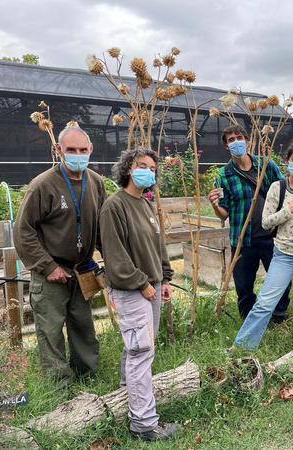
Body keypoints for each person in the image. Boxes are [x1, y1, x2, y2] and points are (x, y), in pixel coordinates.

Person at [13, 124, 105, 386]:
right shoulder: (42, 185)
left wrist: (109, 258)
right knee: (51, 331)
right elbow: (23, 231)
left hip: (82, 270)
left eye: (83, 150)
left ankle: (88, 377)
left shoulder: (96, 182)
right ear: (58, 150)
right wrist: (47, 266)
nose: (78, 155)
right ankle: (59, 385)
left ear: (91, 149)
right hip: (51, 272)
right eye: (71, 150)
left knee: (83, 327)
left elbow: (101, 227)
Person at [99, 148, 180, 441]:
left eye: (152, 168)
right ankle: (144, 424)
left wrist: (164, 277)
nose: (148, 171)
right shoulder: (114, 206)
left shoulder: (145, 204)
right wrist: (142, 283)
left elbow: (157, 246)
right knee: (140, 351)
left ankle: (127, 395)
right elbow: (116, 257)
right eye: (141, 166)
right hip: (132, 289)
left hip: (152, 286)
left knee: (138, 348)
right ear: (127, 169)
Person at [232, 139, 293, 350]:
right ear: (287, 161)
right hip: (284, 254)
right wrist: (288, 210)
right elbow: (266, 222)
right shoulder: (278, 188)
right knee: (265, 302)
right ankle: (242, 347)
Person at [208, 125, 291, 321]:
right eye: (231, 140)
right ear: (226, 146)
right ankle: (248, 320)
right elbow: (223, 214)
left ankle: (278, 316)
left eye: (239, 138)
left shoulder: (266, 165)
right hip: (242, 239)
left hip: (271, 236)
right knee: (244, 285)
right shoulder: (223, 175)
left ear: (248, 141)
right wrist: (214, 205)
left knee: (281, 279)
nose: (236, 142)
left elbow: (284, 191)